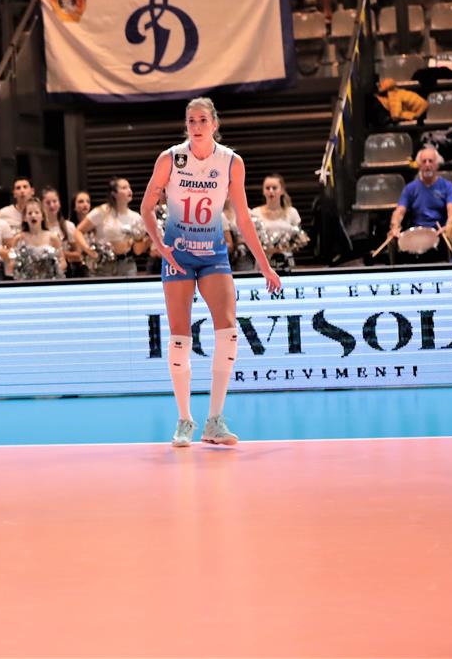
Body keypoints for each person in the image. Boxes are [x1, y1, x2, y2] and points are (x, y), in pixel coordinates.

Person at [139, 97, 282, 449]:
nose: (197, 126)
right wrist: (161, 246)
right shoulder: (171, 159)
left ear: (215, 124)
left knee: (228, 331)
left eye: (203, 120)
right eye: (191, 121)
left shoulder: (231, 162)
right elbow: (146, 207)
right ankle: (184, 419)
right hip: (178, 255)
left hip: (213, 253)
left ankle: (214, 421)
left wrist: (264, 265)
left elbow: (243, 218)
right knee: (179, 337)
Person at [389, 146, 452, 258]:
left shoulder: (448, 187)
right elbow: (399, 211)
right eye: (424, 161)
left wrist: (448, 226)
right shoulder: (410, 188)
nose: (427, 164)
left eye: (431, 161)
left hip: (440, 233)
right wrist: (395, 227)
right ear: (419, 165)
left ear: (437, 164)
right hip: (416, 234)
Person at [79, 177, 149, 276]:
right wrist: (88, 250)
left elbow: (137, 251)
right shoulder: (102, 211)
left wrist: (145, 239)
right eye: (124, 188)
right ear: (114, 193)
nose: (129, 190)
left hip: (126, 264)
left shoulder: (136, 217)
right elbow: (78, 231)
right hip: (103, 264)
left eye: (129, 187)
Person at [249, 173, 308, 270]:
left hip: (286, 262)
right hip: (263, 264)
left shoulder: (292, 212)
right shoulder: (255, 213)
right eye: (267, 188)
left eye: (274, 188)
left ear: (282, 191)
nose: (271, 191)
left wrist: (287, 247)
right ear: (263, 191)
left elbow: (300, 238)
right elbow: (250, 239)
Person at [11, 198, 66, 279]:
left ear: (42, 216)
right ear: (25, 218)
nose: (33, 215)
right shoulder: (18, 239)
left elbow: (63, 262)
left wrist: (53, 269)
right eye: (30, 213)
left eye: (37, 212)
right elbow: (12, 263)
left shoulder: (53, 238)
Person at [41, 186, 91, 276]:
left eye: (55, 201)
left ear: (59, 203)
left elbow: (78, 255)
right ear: (42, 205)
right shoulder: (39, 228)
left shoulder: (68, 226)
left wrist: (58, 254)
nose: (52, 205)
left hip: (66, 273)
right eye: (48, 203)